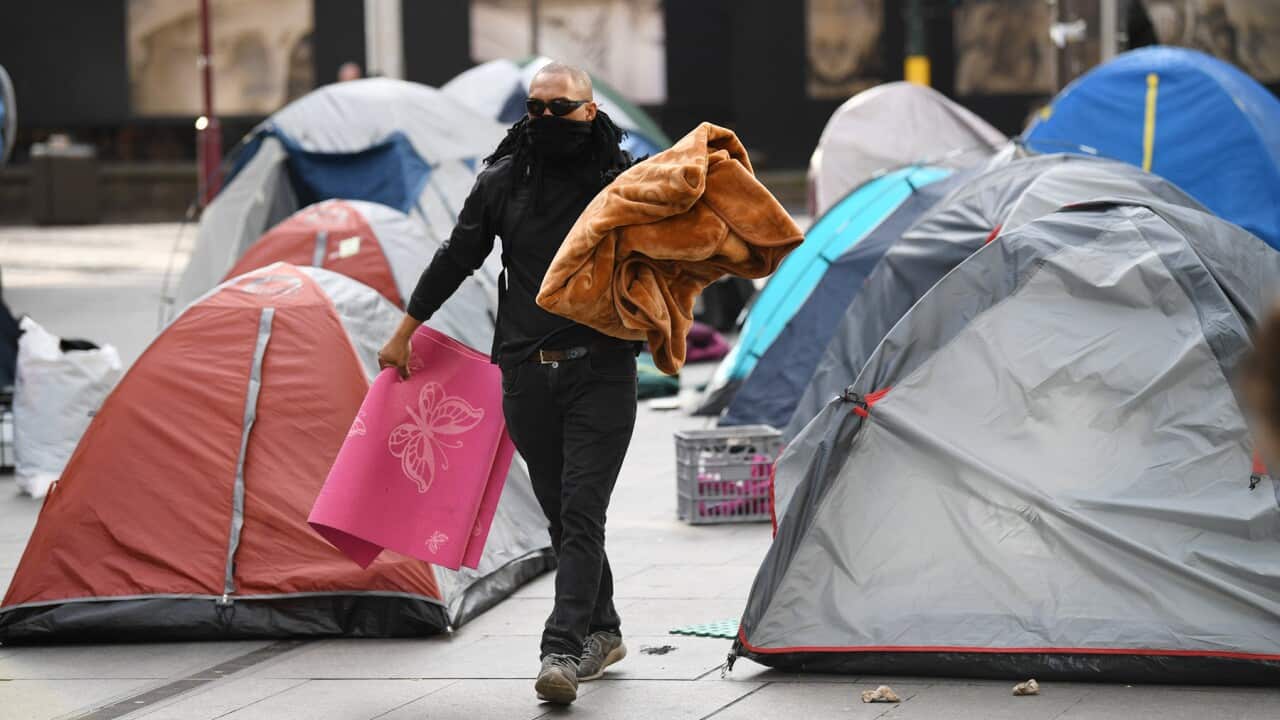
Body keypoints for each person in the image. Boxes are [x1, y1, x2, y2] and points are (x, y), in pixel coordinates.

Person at [377, 62, 638, 705]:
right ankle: (603, 630)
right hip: (526, 375)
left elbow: (681, 251)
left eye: (561, 108)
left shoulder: (624, 184)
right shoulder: (502, 180)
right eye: (536, 108)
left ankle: (561, 650)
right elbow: (457, 255)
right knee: (561, 513)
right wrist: (405, 328)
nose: (546, 120)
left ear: (591, 110)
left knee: (581, 510)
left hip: (602, 371)